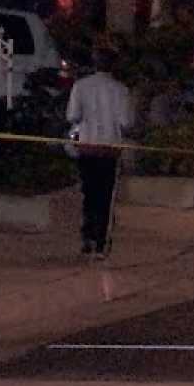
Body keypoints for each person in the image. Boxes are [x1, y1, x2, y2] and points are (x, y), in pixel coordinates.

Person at [67, 48, 133, 258]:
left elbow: (72, 116)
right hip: (109, 149)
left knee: (88, 193)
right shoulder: (121, 90)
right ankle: (101, 242)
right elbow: (126, 122)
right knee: (105, 196)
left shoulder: (81, 86)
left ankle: (87, 237)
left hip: (87, 146)